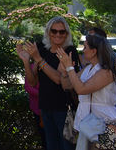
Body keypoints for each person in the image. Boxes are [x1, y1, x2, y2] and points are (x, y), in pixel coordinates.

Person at [25, 16, 81, 150]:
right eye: (54, 31)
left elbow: (59, 80)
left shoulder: (69, 51)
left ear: (67, 34)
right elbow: (32, 82)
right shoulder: (43, 50)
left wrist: (38, 59)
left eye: (62, 32)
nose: (58, 34)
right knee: (51, 146)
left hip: (64, 108)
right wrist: (26, 61)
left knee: (66, 146)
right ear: (48, 32)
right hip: (45, 107)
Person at [58, 34, 116, 147]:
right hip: (88, 124)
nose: (83, 50)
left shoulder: (106, 72)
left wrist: (70, 67)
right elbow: (67, 85)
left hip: (105, 122)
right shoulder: (87, 69)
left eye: (85, 47)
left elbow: (81, 89)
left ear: (93, 51)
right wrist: (65, 72)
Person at [16, 43, 46, 149]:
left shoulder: (47, 67)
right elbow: (28, 87)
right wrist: (44, 94)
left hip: (48, 109)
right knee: (44, 138)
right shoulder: (32, 66)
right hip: (37, 109)